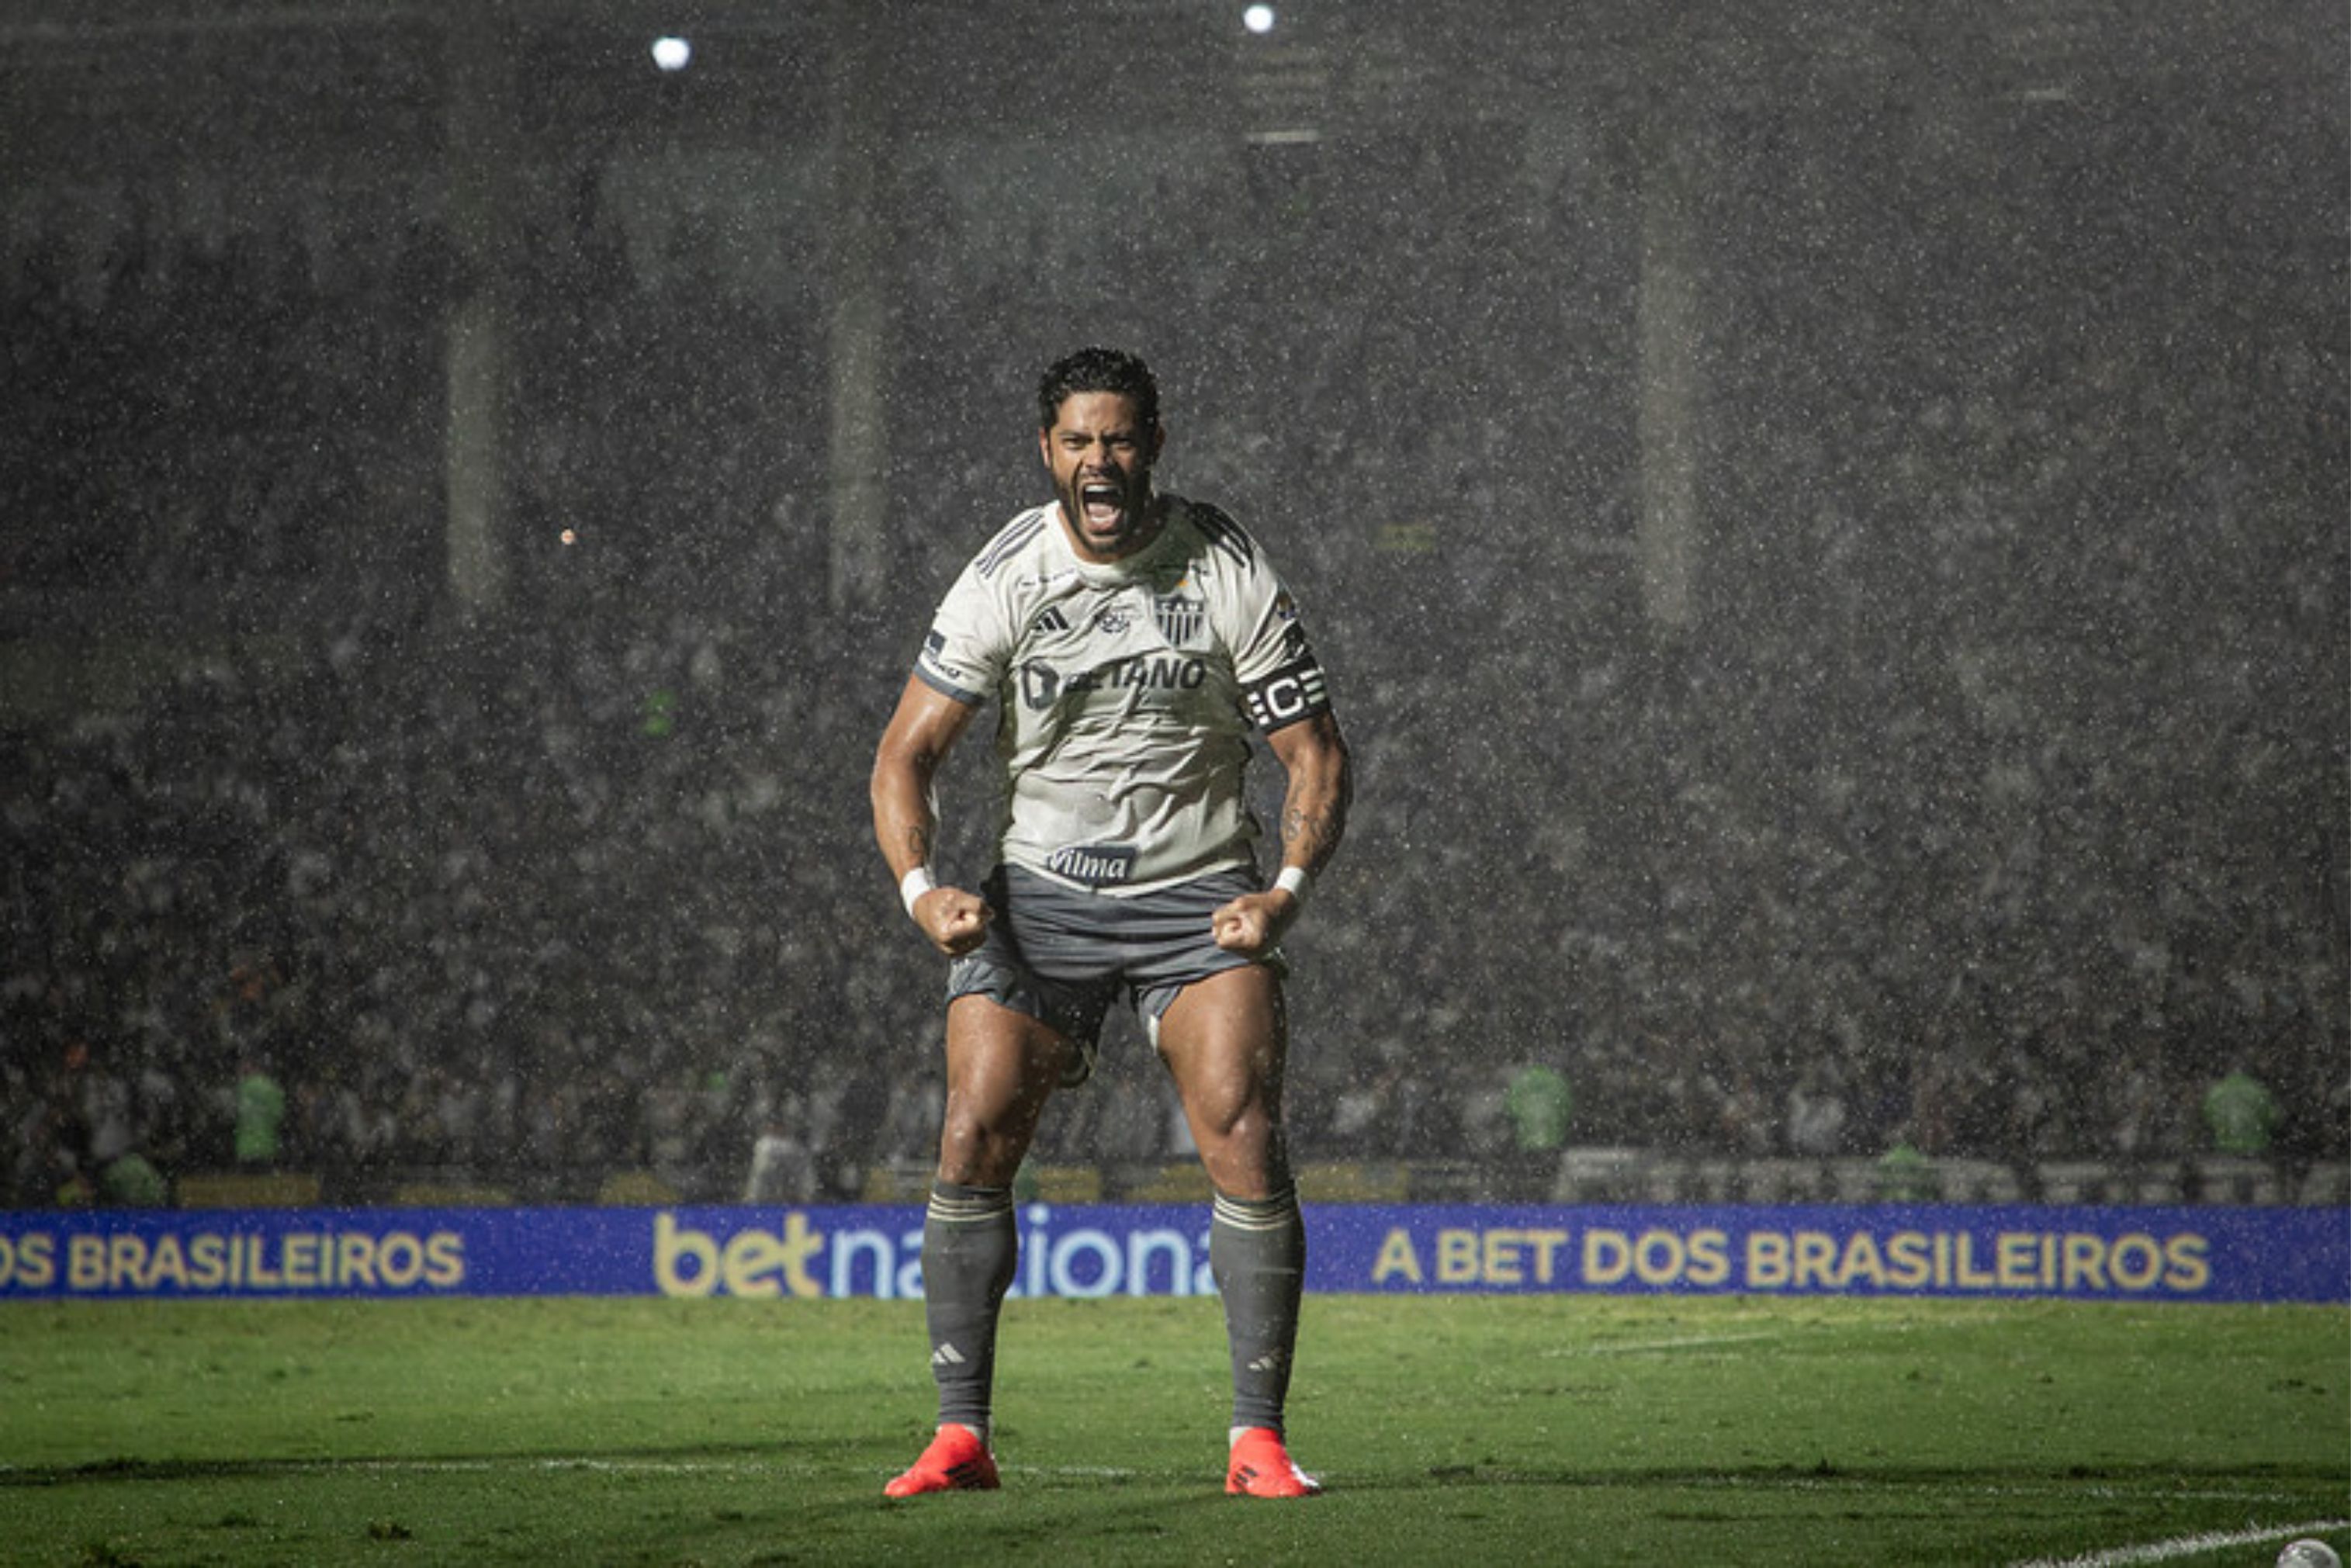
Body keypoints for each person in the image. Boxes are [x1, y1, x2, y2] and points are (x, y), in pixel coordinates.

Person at [870, 347, 1350, 1501]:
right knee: (971, 1132)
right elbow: (906, 752)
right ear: (1047, 450)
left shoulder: (1221, 564)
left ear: (1154, 444)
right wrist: (920, 886)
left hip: (1197, 894)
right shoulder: (1005, 574)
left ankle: (1256, 1439)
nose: (1099, 460)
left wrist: (1283, 889)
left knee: (1240, 1124)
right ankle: (960, 1435)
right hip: (1040, 897)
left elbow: (1314, 753)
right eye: (1078, 440)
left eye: (1119, 439)